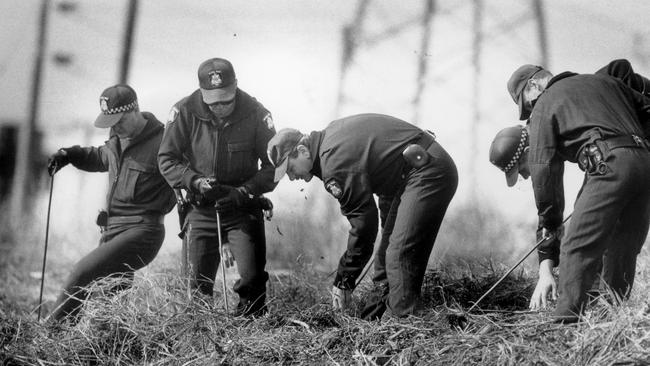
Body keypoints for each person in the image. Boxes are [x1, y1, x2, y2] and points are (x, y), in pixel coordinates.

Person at [267, 114, 458, 320]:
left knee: (398, 255)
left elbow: (364, 225)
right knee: (386, 257)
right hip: (409, 174)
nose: (292, 177)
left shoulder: (333, 161)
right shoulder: (329, 141)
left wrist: (344, 279)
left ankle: (406, 328)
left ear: (303, 151)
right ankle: (372, 321)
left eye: (290, 169)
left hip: (427, 170)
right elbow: (383, 174)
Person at [504, 64, 650, 323]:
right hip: (644, 163)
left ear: (533, 86)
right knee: (622, 248)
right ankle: (611, 320)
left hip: (610, 164)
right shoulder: (606, 84)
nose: (529, 112)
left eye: (527, 105)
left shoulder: (545, 104)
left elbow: (545, 171)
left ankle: (564, 323)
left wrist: (550, 227)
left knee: (577, 246)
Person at [46, 84, 175, 324]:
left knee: (82, 272)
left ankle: (49, 335)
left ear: (135, 110)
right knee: (110, 300)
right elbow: (100, 156)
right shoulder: (117, 138)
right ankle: (108, 345)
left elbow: (183, 180)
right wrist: (69, 155)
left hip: (143, 230)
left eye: (118, 121)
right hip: (112, 230)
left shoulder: (164, 142)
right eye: (110, 123)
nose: (114, 128)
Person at [158, 58, 276, 317]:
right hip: (201, 209)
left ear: (236, 86)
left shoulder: (257, 113)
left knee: (253, 280)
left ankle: (249, 334)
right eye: (214, 102)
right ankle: (201, 340)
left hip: (243, 207)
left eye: (226, 99)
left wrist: (244, 191)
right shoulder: (184, 112)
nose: (221, 107)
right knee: (195, 288)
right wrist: (195, 181)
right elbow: (166, 160)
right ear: (201, 92)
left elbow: (274, 166)